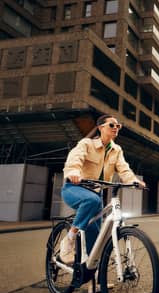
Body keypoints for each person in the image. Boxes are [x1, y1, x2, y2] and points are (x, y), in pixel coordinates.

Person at [60, 114, 145, 265]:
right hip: (74, 188)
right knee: (91, 200)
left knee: (96, 238)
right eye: (112, 125)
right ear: (100, 128)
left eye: (118, 126)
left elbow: (124, 169)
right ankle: (69, 240)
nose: (116, 128)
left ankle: (95, 281)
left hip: (95, 194)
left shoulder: (116, 150)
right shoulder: (87, 143)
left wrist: (133, 181)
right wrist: (74, 172)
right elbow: (75, 158)